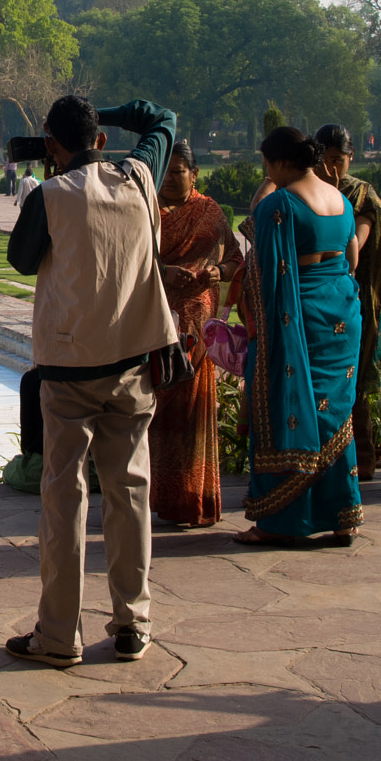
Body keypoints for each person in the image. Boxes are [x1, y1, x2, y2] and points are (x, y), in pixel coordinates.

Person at [3, 96, 175, 665]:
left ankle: (57, 635)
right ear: (100, 139)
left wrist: (56, 167)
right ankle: (133, 622)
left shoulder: (50, 196)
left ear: (51, 146)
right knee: (129, 493)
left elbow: (22, 261)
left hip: (70, 369)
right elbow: (162, 121)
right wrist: (105, 112)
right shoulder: (139, 176)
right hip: (130, 362)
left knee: (64, 498)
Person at [235, 126, 363, 544]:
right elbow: (352, 259)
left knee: (283, 406)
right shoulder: (342, 200)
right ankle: (342, 514)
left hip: (299, 317)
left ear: (279, 163)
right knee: (333, 415)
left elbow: (262, 273)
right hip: (340, 316)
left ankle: (279, 521)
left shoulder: (280, 205)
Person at [150, 139, 241, 527]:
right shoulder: (147, 211)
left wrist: (219, 271)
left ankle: (192, 500)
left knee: (193, 414)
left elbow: (237, 258)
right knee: (155, 414)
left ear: (195, 173)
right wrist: (165, 271)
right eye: (166, 171)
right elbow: (127, 258)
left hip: (197, 331)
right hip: (154, 325)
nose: (171, 178)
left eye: (178, 171)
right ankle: (153, 500)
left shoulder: (210, 212)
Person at [316, 124, 381, 481]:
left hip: (353, 299)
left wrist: (335, 203)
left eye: (340, 160)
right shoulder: (304, 191)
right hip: (314, 299)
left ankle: (359, 461)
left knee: (354, 381)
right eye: (327, 159)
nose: (334, 168)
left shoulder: (360, 194)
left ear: (351, 158)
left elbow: (353, 251)